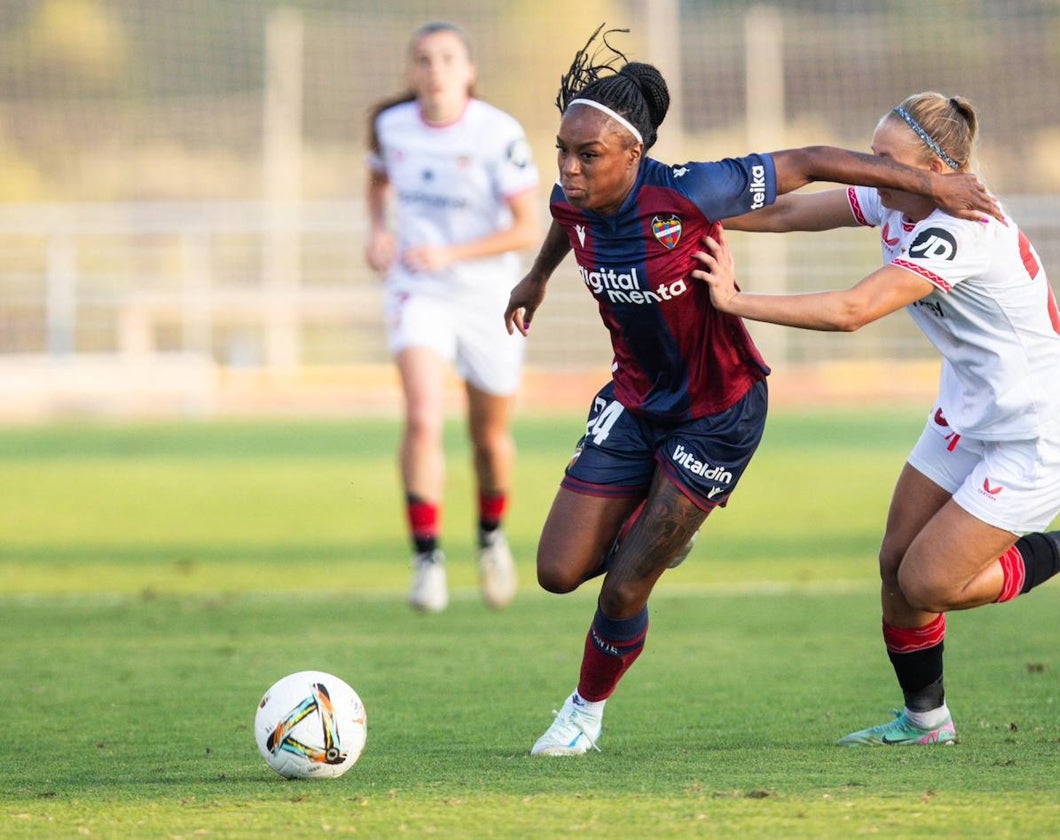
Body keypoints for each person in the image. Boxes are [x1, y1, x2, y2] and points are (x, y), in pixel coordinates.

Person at [503, 30, 1001, 756]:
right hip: (637, 401)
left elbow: (807, 162)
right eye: (563, 152)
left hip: (717, 414)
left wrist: (934, 185)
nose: (569, 171)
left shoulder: (690, 191)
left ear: (634, 157)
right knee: (556, 572)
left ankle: (582, 714)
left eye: (588, 156)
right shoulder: (571, 198)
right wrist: (537, 277)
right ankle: (660, 532)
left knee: (622, 589)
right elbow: (561, 215)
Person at [692, 91, 1060, 746]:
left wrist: (736, 301)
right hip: (969, 406)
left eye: (886, 160)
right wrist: (684, 212)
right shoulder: (898, 197)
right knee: (894, 561)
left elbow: (852, 310)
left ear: (935, 168)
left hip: (1038, 430)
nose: (874, 172)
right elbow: (786, 211)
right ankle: (927, 723)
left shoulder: (961, 232)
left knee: (928, 580)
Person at [365, 21, 540, 613]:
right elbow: (377, 178)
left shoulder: (498, 133)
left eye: (446, 58)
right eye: (423, 59)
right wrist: (379, 232)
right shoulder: (391, 126)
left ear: (468, 71)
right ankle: (427, 561)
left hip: (489, 295)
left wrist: (453, 252)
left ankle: (490, 540)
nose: (434, 69)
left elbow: (526, 227)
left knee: (488, 438)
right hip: (419, 290)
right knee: (421, 415)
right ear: (411, 70)